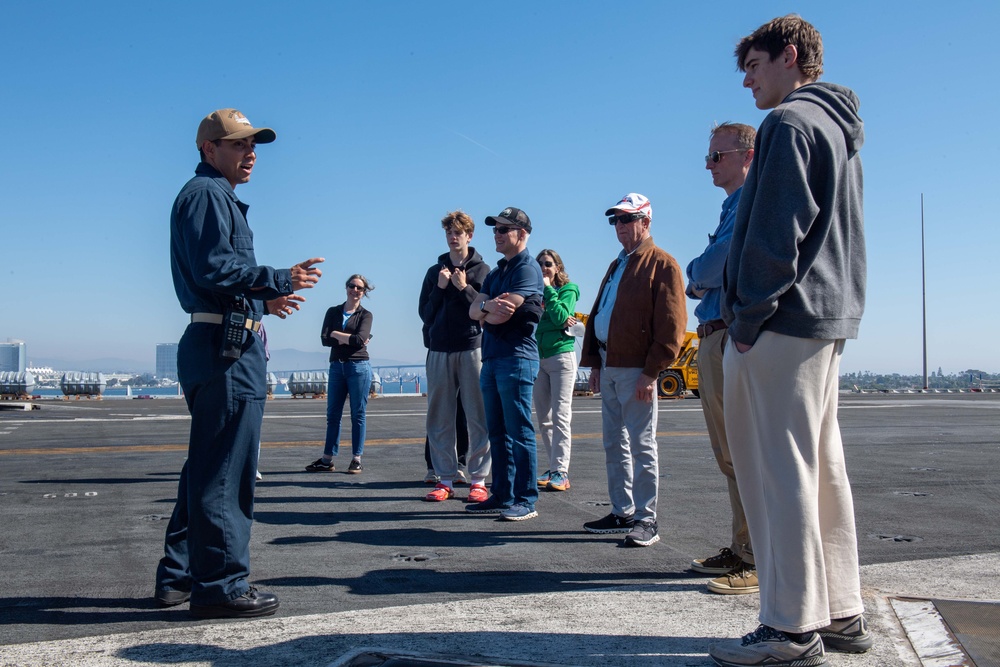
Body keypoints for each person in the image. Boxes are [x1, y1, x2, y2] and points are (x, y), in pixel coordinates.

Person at [708, 15, 871, 667]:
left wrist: (746, 319)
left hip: (779, 322)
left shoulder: (790, 124)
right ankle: (839, 611)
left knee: (777, 474)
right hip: (827, 320)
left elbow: (777, 235)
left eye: (754, 65)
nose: (746, 80)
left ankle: (788, 627)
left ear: (791, 56)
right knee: (821, 469)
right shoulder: (838, 126)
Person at [156, 108, 324, 619]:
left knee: (207, 466)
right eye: (238, 145)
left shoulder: (211, 196)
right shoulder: (207, 195)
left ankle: (181, 575)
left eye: (253, 146)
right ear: (209, 149)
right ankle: (222, 586)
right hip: (226, 353)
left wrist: (261, 302)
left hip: (216, 338)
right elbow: (216, 267)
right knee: (227, 472)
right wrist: (276, 278)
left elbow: (218, 279)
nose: (250, 154)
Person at [580, 194, 687, 547]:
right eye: (615, 221)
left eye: (626, 219)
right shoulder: (617, 265)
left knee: (641, 444)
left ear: (646, 221)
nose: (620, 226)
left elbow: (672, 327)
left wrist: (652, 372)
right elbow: (599, 314)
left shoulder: (662, 264)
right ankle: (622, 510)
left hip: (637, 369)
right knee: (614, 443)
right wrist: (595, 362)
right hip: (611, 365)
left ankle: (646, 518)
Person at [686, 122, 759, 596]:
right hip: (712, 333)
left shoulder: (747, 201)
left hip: (726, 333)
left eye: (717, 155)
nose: (709, 164)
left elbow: (713, 265)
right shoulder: (732, 204)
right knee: (730, 454)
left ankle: (755, 556)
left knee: (743, 452)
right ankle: (742, 545)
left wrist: (698, 272)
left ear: (746, 155)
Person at [467, 207, 544, 521]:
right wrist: (487, 307)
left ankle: (526, 500)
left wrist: (487, 310)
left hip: (517, 358)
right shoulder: (496, 273)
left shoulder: (528, 268)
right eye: (495, 229)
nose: (496, 235)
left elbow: (506, 310)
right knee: (496, 432)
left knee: (519, 432)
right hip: (493, 357)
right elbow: (475, 312)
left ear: (521, 234)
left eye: (503, 230)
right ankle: (502, 494)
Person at [418, 210, 491, 504]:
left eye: (458, 232)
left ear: (469, 236)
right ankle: (445, 478)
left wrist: (463, 288)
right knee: (440, 416)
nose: (452, 237)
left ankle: (478, 480)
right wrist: (441, 287)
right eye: (449, 232)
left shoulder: (483, 271)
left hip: (472, 346)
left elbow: (486, 308)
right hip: (438, 348)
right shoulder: (435, 273)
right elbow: (425, 313)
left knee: (477, 414)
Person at [305, 275, 374, 474]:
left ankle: (356, 459)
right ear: (346, 288)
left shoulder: (365, 315)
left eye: (359, 288)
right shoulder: (333, 311)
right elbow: (324, 339)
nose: (355, 290)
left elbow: (359, 340)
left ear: (364, 292)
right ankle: (327, 459)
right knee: (333, 415)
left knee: (358, 414)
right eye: (352, 286)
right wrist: (344, 337)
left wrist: (336, 334)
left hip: (358, 367)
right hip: (337, 366)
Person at [533, 249, 579, 492]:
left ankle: (562, 471)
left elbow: (561, 316)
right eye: (539, 263)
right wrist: (554, 316)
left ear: (558, 267)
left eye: (548, 264)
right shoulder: (535, 293)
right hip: (539, 358)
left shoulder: (568, 290)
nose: (543, 267)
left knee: (561, 415)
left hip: (561, 357)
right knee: (544, 418)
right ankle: (553, 467)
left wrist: (549, 290)